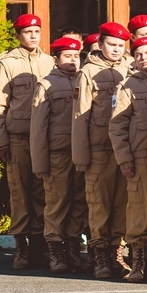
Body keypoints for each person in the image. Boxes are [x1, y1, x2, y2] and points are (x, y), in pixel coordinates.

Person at [0, 13, 54, 269]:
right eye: (28, 32)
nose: (33, 36)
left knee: (43, 192)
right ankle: (21, 249)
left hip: (44, 139)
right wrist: (1, 142)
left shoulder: (51, 62)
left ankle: (38, 247)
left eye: (37, 32)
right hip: (17, 138)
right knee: (19, 193)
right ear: (18, 35)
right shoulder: (7, 63)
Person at [109, 35, 147, 283]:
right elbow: (117, 126)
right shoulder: (127, 86)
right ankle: (136, 261)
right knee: (138, 208)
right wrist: (124, 158)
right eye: (138, 54)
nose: (143, 57)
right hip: (139, 157)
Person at [73, 21, 133, 278]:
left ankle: (116, 254)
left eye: (121, 46)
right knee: (99, 204)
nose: (117, 50)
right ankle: (99, 257)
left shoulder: (131, 69)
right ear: (100, 44)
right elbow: (80, 117)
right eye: (112, 44)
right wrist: (81, 156)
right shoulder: (87, 73)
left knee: (122, 203)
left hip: (124, 148)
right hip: (99, 150)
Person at [31, 36, 89, 275]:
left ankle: (73, 249)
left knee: (78, 203)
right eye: (67, 56)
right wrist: (40, 163)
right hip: (58, 154)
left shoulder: (84, 81)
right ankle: (55, 250)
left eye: (76, 56)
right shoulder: (46, 85)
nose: (73, 61)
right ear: (55, 60)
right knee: (57, 203)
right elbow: (38, 128)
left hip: (80, 153)